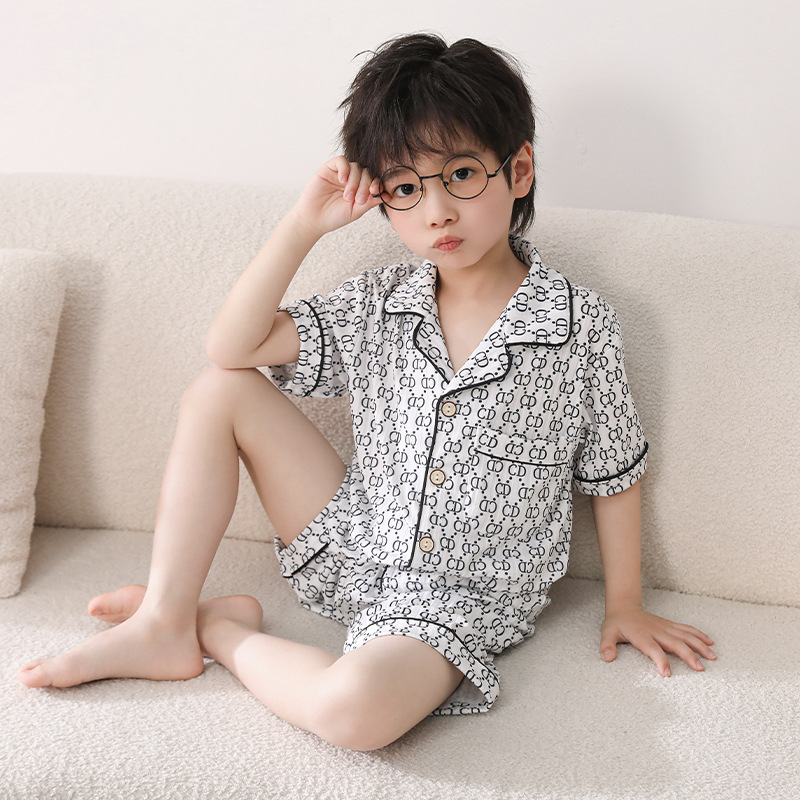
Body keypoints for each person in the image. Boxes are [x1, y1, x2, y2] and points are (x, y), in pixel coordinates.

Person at [18, 33, 715, 750]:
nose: (436, 211)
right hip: (353, 541)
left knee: (353, 714)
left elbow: (613, 471)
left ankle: (217, 630)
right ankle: (164, 621)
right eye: (406, 188)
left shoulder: (579, 326)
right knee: (218, 388)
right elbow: (233, 348)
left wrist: (625, 602)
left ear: (520, 170)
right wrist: (303, 226)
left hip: (454, 603)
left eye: (461, 174)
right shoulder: (379, 303)